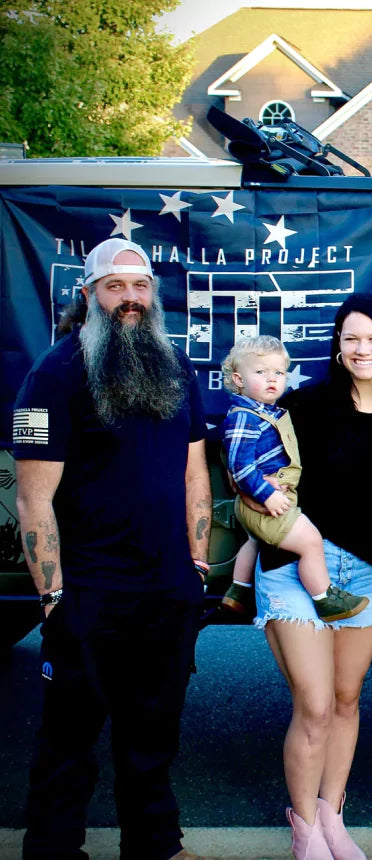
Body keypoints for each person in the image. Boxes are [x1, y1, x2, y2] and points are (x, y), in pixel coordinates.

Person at [13, 238, 212, 860]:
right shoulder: (52, 373)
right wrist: (53, 596)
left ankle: (155, 844)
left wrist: (198, 563)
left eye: (140, 286)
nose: (130, 298)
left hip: (167, 590)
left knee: (153, 732)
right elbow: (31, 499)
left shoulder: (175, 367)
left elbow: (194, 474)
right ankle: (51, 849)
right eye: (115, 286)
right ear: (90, 294)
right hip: (88, 593)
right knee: (68, 739)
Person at [250, 293, 372, 859]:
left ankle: (332, 819)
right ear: (337, 344)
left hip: (367, 574)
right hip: (298, 566)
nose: (362, 348)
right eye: (351, 337)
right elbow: (259, 480)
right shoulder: (306, 405)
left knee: (347, 700)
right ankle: (304, 832)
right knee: (316, 704)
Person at [220, 335, 367, 622]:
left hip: (262, 497)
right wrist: (266, 494)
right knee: (310, 541)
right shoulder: (245, 417)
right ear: (238, 379)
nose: (271, 379)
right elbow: (239, 466)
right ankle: (325, 597)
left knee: (253, 539)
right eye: (260, 372)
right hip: (265, 498)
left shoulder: (265, 412)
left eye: (278, 372)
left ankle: (238, 591)